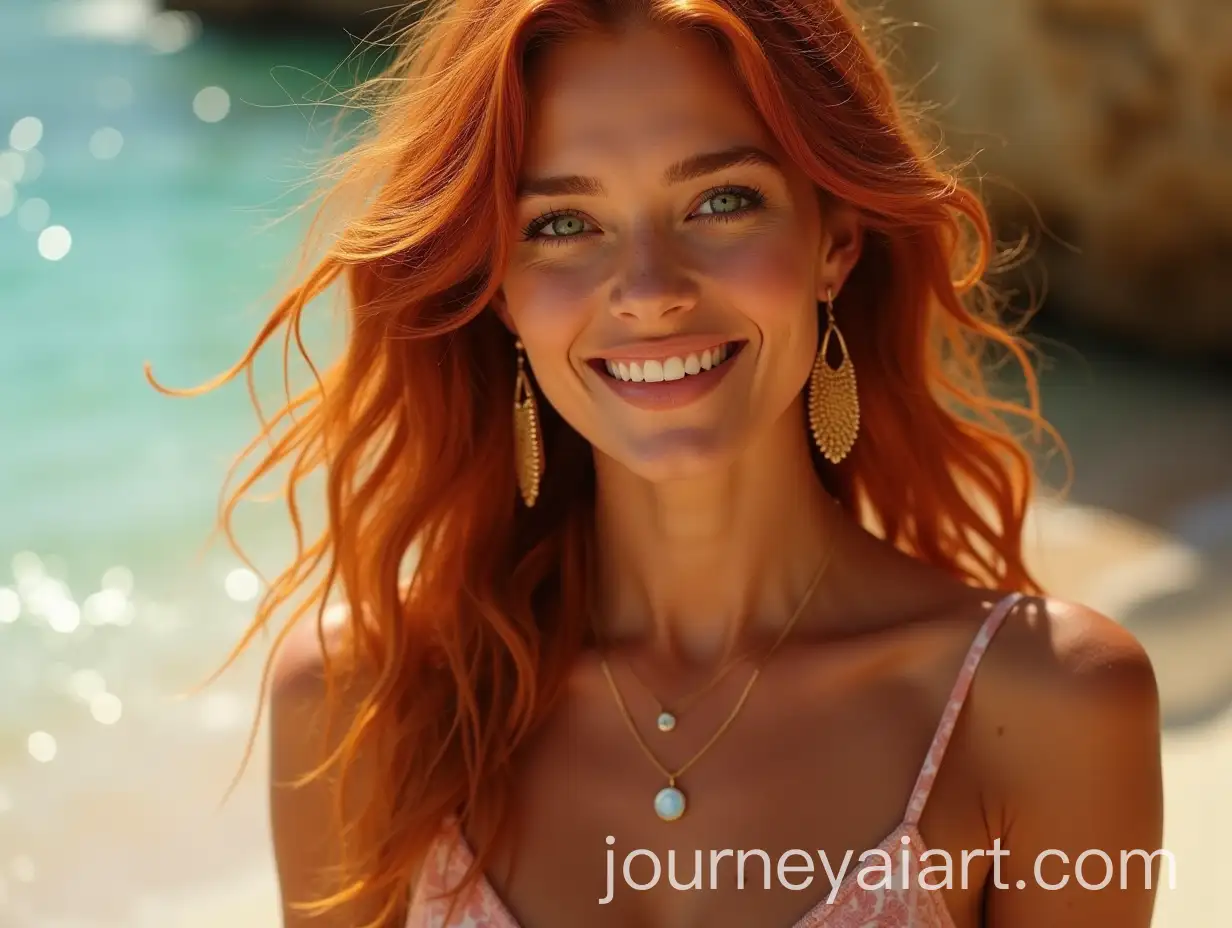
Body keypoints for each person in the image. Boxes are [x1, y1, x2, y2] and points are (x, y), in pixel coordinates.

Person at [176, 1, 1165, 925]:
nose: (646, 289)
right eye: (562, 223)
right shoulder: (364, 705)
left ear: (834, 243)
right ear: (502, 291)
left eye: (719, 200)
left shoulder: (1046, 706)